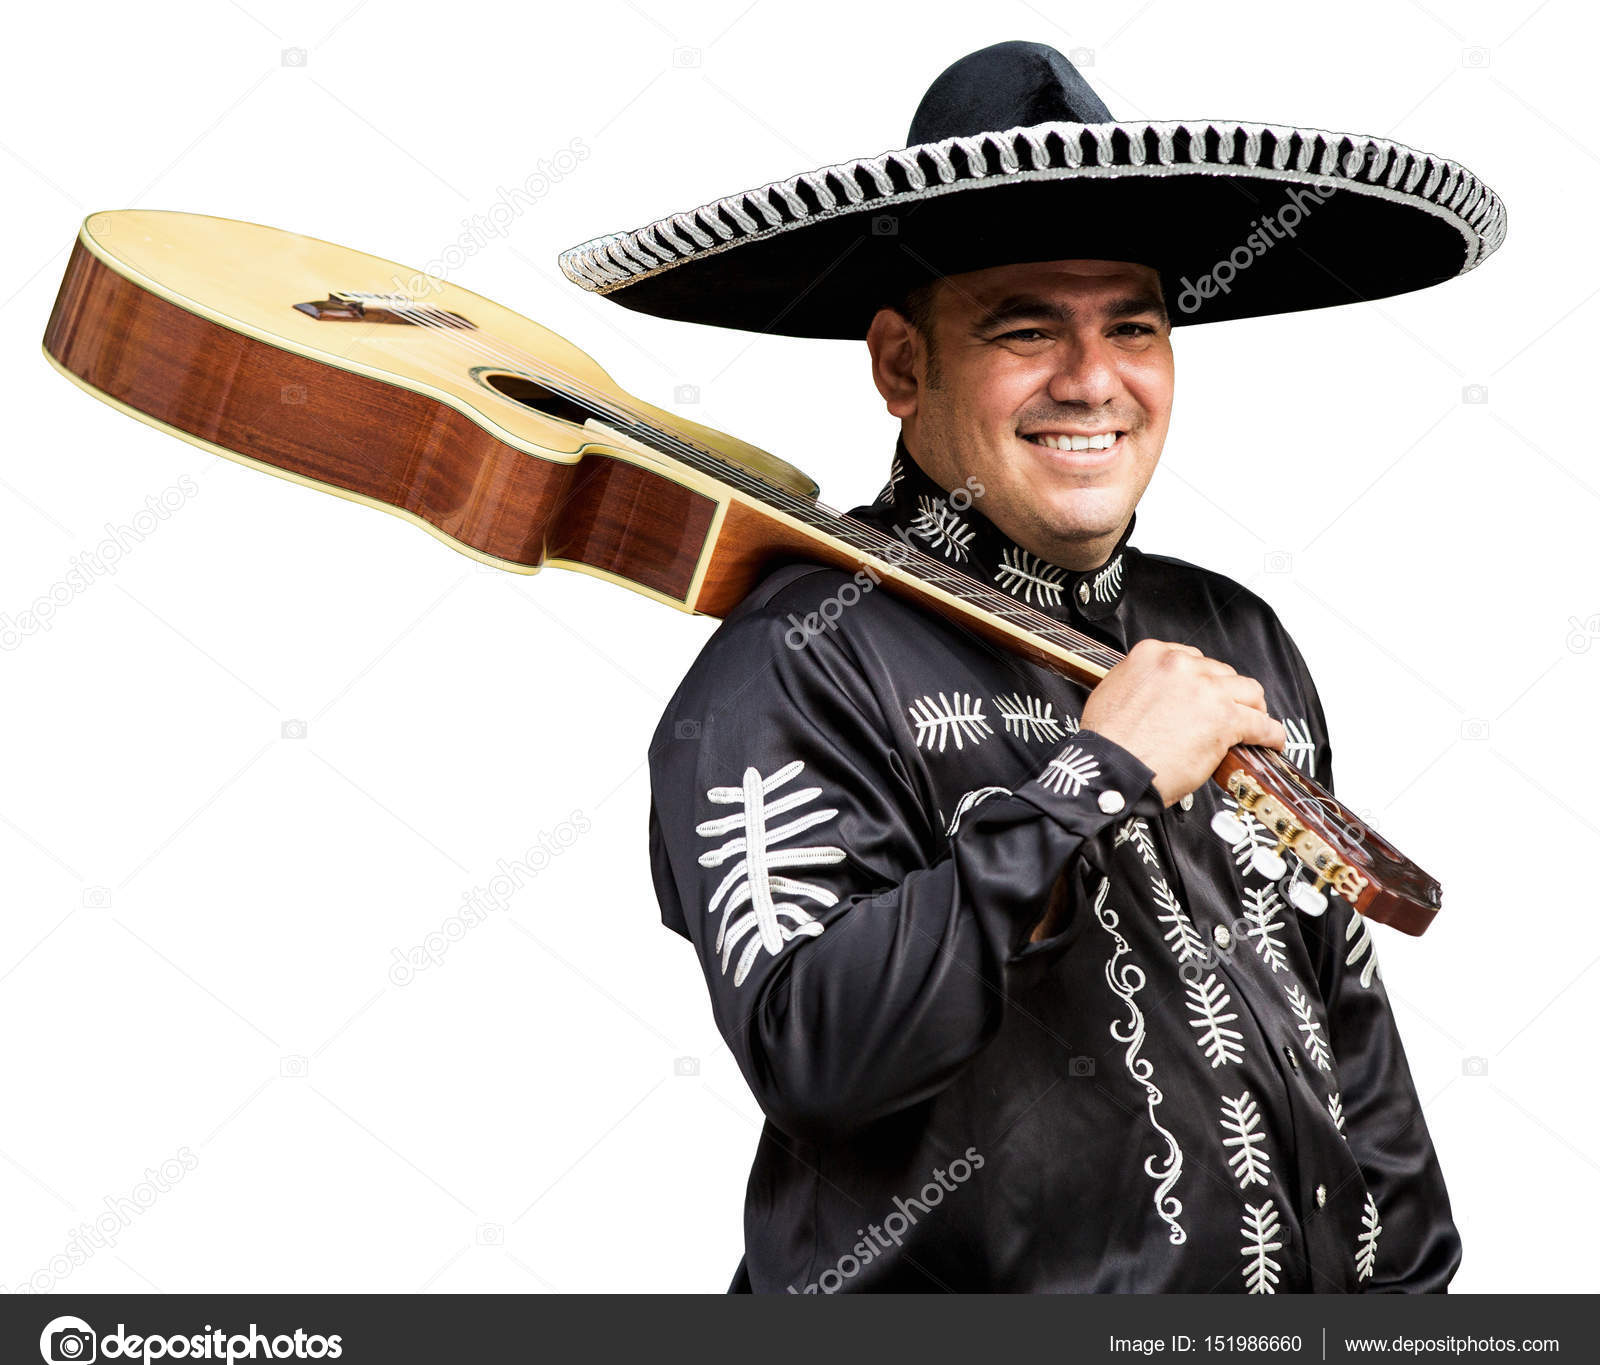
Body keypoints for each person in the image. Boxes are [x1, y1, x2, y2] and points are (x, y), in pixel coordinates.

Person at [559, 40, 1504, 1293]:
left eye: (1134, 326)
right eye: (1024, 329)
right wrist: (1097, 777)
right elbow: (820, 1055)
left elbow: (1337, 1015)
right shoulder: (791, 662)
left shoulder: (1230, 631)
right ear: (903, 364)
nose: (1093, 380)